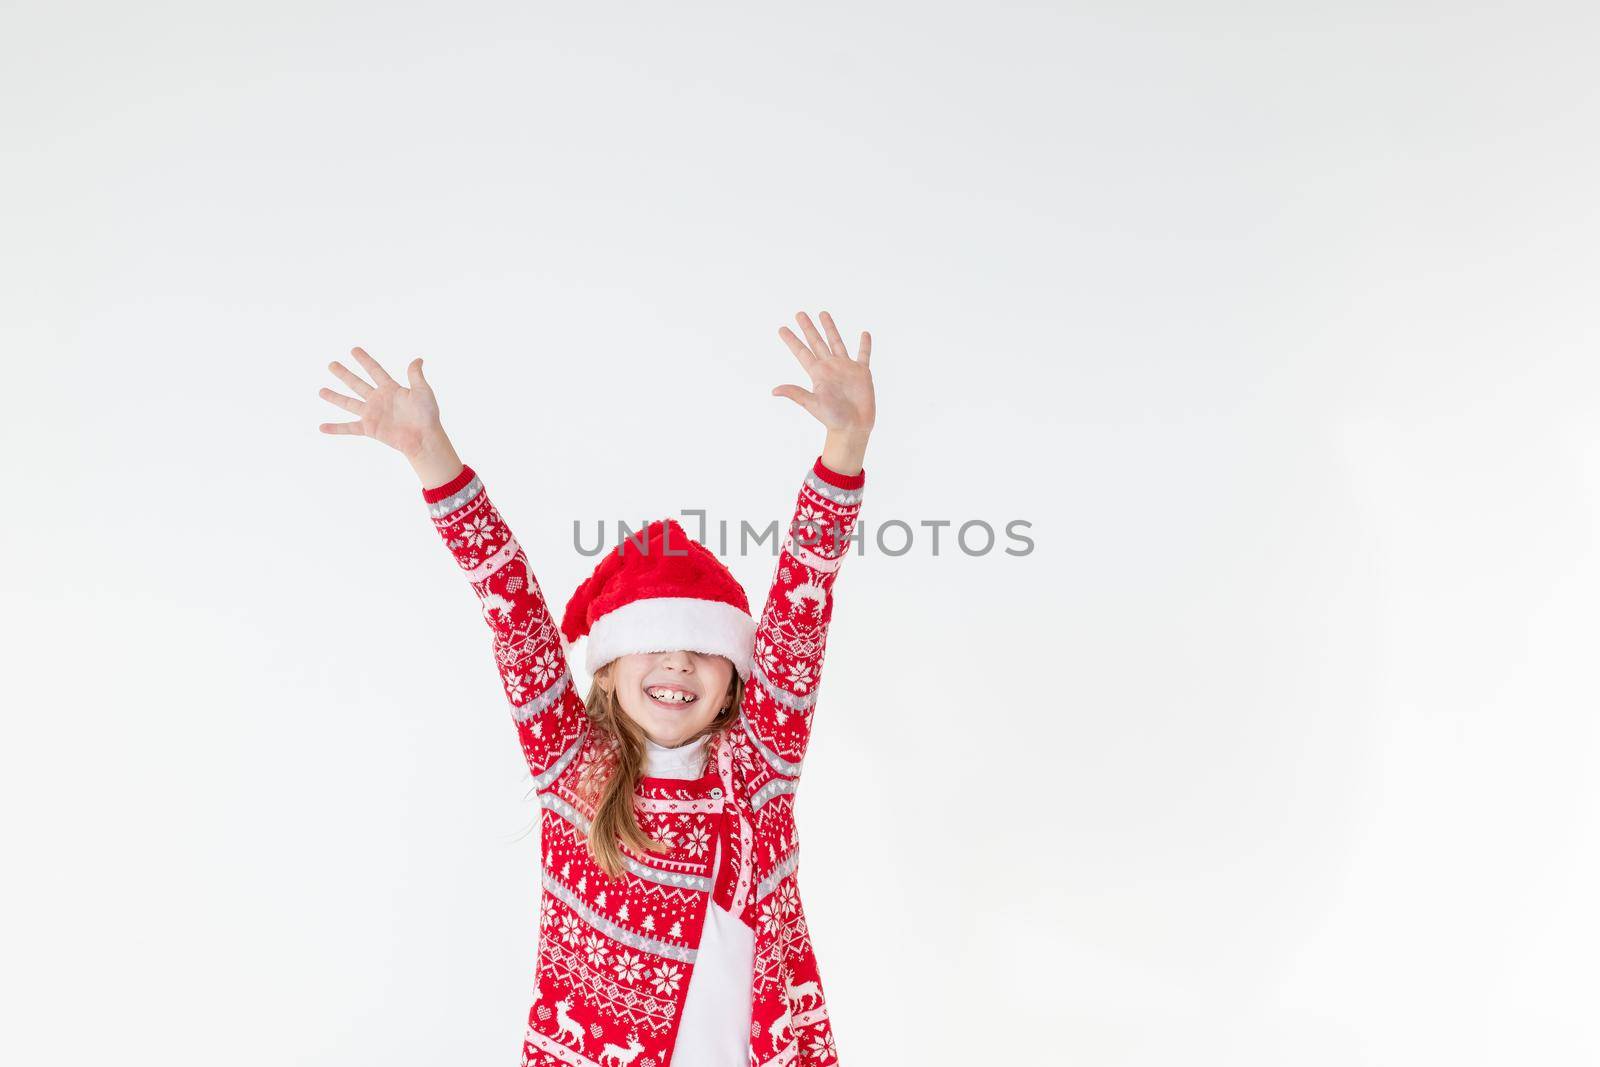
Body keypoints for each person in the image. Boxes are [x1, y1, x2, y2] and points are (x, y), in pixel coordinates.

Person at [316, 310, 874, 1067]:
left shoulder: (758, 770)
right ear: (607, 670)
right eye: (655, 648)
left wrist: (845, 447)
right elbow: (509, 605)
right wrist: (434, 459)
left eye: (703, 654)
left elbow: (807, 592)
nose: (677, 667)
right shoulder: (571, 767)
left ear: (737, 680)